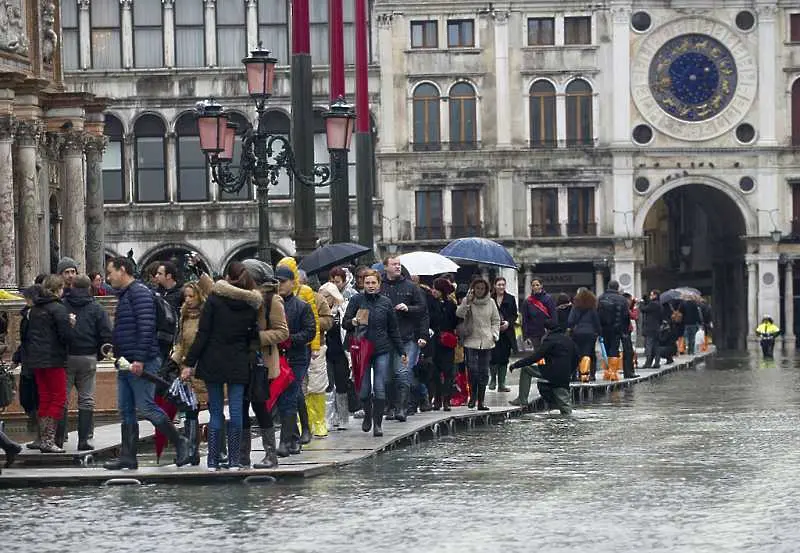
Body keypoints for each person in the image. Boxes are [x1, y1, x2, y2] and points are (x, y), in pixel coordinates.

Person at [103, 256, 189, 470]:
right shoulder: (126, 295)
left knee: (147, 407)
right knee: (126, 408)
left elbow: (146, 327)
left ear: (122, 270)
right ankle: (128, 456)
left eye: (110, 271)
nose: (108, 276)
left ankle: (181, 442)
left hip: (142, 360)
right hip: (125, 362)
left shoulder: (139, 293)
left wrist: (140, 358)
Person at [180, 262, 262, 471]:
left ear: (227, 277)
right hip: (238, 361)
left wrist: (189, 363)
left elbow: (203, 334)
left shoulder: (214, 301)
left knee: (215, 412)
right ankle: (234, 461)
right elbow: (253, 336)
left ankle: (213, 461)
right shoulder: (251, 304)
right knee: (236, 411)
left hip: (213, 360)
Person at [343, 269, 407, 437]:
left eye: (373, 283)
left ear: (379, 284)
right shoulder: (356, 299)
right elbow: (345, 323)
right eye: (367, 283)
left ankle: (378, 424)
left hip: (381, 349)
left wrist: (402, 351)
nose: (370, 286)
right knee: (363, 390)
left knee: (379, 387)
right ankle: (368, 415)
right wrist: (354, 321)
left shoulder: (386, 302)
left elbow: (393, 329)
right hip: (361, 349)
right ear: (362, 284)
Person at [241, 258, 289, 468]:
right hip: (240, 360)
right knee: (240, 407)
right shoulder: (240, 296)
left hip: (263, 363)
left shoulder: (272, 299)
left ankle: (271, 454)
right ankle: (242, 454)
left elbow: (282, 332)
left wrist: (257, 337)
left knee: (260, 407)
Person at [62, 275, 113, 451]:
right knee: (87, 399)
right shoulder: (96, 308)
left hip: (66, 357)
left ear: (72, 286)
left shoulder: (62, 305)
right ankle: (84, 439)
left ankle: (59, 438)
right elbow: (106, 334)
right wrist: (97, 355)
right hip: (88, 357)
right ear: (89, 287)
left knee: (63, 399)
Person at [24, 275, 72, 453]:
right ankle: (48, 440)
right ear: (58, 289)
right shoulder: (58, 309)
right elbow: (65, 336)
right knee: (58, 397)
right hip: (54, 359)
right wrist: (71, 324)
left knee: (44, 397)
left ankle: (43, 438)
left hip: (36, 361)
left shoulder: (35, 309)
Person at [170, 278, 213, 466]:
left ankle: (218, 449)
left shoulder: (207, 314)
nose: (187, 300)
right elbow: (181, 341)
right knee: (190, 410)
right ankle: (191, 450)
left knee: (213, 407)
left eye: (191, 296)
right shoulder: (184, 314)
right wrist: (175, 360)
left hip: (204, 367)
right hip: (186, 368)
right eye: (185, 296)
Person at [380, 255, 428, 422]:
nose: (397, 267)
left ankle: (402, 408)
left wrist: (409, 308)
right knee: (387, 376)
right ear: (385, 266)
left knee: (402, 372)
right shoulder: (379, 286)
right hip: (385, 338)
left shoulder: (411, 287)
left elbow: (422, 310)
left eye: (399, 264)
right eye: (394, 264)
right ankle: (391, 406)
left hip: (407, 336)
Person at [275, 265, 316, 457]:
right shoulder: (272, 304)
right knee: (284, 397)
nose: (280, 285)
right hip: (277, 358)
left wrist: (290, 339)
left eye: (283, 282)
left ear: (292, 283)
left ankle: (286, 441)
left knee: (291, 396)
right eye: (277, 282)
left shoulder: (302, 306)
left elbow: (310, 331)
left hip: (297, 357)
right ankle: (293, 436)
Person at [509, 319, 577, 414]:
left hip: (551, 373)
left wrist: (516, 364)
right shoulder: (568, 340)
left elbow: (536, 357)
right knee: (565, 405)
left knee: (526, 369)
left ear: (546, 330)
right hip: (564, 374)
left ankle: (522, 399)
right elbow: (577, 358)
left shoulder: (549, 340)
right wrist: (569, 372)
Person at [456, 277, 500, 411]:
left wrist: (494, 334)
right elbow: (459, 314)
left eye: (482, 288)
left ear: (486, 289)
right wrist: (467, 302)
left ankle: (481, 401)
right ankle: (472, 397)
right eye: (477, 288)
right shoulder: (468, 301)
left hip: (487, 341)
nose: (480, 291)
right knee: (472, 370)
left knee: (484, 372)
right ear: (473, 289)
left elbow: (496, 320)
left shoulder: (491, 302)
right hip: (471, 340)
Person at [320, 281, 350, 429]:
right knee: (328, 385)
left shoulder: (342, 310)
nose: (324, 299)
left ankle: (343, 417)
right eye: (321, 296)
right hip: (325, 352)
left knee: (342, 385)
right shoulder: (319, 311)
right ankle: (329, 418)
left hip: (341, 352)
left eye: (326, 296)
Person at [428, 278, 458, 411]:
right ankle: (437, 398)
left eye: (436, 289)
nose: (433, 291)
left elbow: (454, 322)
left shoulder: (451, 305)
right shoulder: (429, 303)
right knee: (434, 371)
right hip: (433, 340)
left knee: (448, 372)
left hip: (447, 341)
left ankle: (446, 399)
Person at [597, 280, 630, 380]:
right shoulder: (622, 299)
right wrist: (625, 330)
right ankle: (613, 372)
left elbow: (597, 313)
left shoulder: (601, 298)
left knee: (605, 350)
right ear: (617, 287)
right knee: (614, 350)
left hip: (603, 328)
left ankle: (606, 373)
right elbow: (626, 316)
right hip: (617, 329)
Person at [489, 277, 518, 393]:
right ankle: (493, 380)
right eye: (499, 284)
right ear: (495, 286)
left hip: (506, 332)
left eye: (503, 285)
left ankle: (502, 383)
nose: (501, 287)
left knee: (504, 357)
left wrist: (508, 323)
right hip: (492, 331)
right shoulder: (490, 298)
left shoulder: (510, 299)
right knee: (493, 356)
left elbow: (514, 315)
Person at [567, 287, 602, 381]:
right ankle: (591, 374)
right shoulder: (592, 308)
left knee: (578, 354)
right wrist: (599, 333)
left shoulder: (575, 308)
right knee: (590, 353)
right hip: (591, 333)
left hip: (577, 333)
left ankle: (579, 374)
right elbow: (597, 322)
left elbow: (570, 321)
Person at [521, 279, 555, 350]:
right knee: (537, 355)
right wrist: (526, 336)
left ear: (541, 286)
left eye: (537, 285)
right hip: (534, 333)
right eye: (533, 285)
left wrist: (554, 330)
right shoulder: (527, 302)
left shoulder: (548, 299)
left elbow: (553, 316)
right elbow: (525, 320)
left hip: (547, 331)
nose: (535, 287)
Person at [639, 290, 663, 369]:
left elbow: (643, 309)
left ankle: (648, 363)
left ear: (655, 295)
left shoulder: (653, 304)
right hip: (656, 328)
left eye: (651, 295)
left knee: (648, 346)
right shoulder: (659, 304)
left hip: (650, 328)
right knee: (656, 346)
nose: (650, 296)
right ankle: (657, 362)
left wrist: (641, 302)